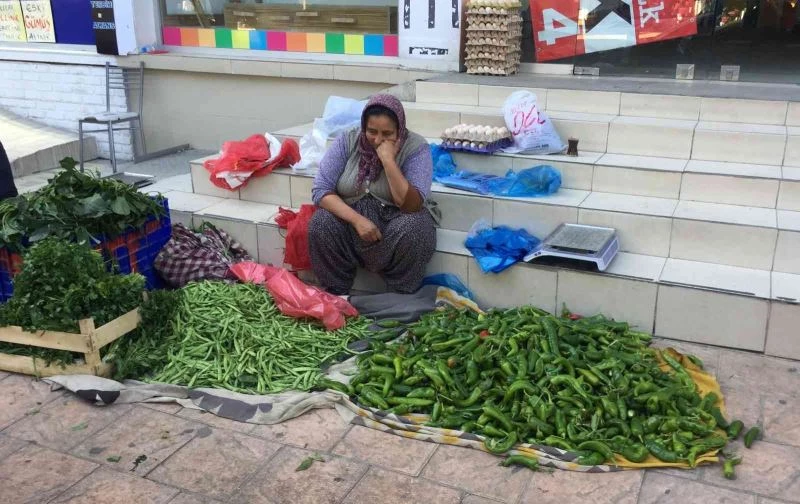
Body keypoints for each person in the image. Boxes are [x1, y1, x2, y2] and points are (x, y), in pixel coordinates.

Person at [308, 94, 437, 295]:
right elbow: (321, 190)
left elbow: (411, 205)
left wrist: (388, 162)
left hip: (395, 224)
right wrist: (357, 220)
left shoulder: (416, 148)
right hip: (353, 225)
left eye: (387, 133)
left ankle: (400, 297)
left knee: (416, 226)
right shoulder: (349, 140)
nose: (378, 140)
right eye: (371, 131)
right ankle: (336, 295)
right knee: (321, 222)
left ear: (400, 129)